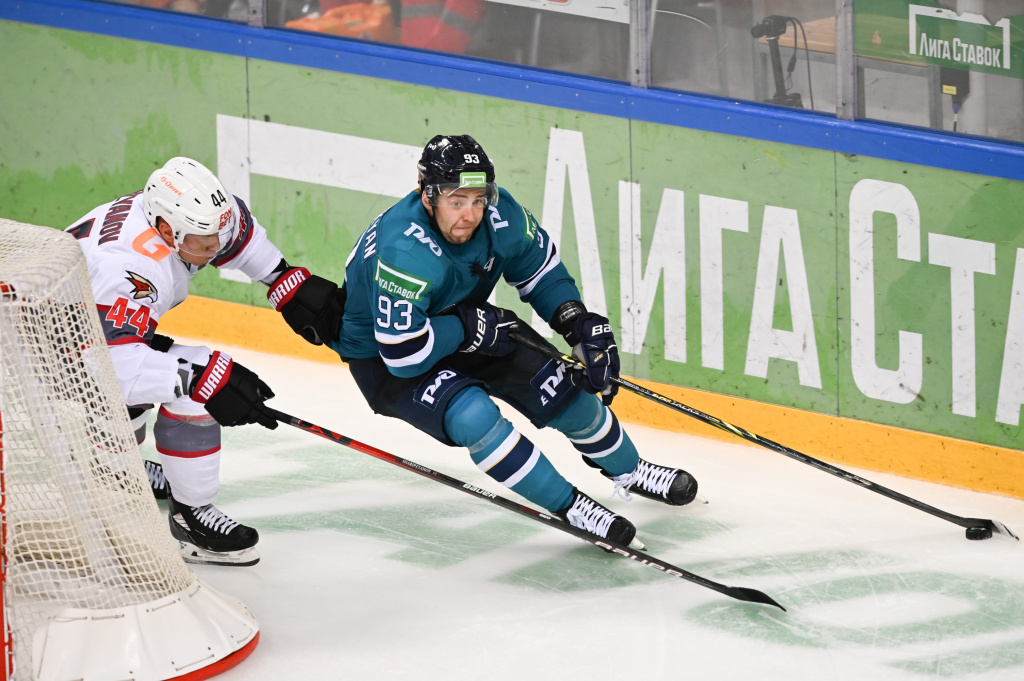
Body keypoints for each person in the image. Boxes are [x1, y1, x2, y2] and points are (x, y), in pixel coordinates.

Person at [324, 135, 698, 547]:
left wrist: (576, 322)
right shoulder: (404, 249)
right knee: (474, 418)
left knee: (560, 387)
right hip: (387, 358)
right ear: (427, 195)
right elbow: (404, 355)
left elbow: (540, 271)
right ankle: (572, 506)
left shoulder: (500, 214)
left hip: (466, 323)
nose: (470, 214)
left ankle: (630, 468)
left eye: (478, 199)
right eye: (456, 201)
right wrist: (466, 327)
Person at [66, 157, 344, 566]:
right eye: (204, 241)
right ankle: (184, 518)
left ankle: (119, 468)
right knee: (196, 381)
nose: (216, 247)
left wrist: (282, 278)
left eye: (218, 233)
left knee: (185, 372)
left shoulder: (187, 216)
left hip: (93, 329)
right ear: (166, 231)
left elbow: (238, 233)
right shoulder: (129, 267)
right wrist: (203, 382)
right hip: (48, 354)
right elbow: (110, 369)